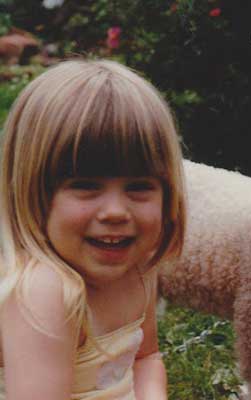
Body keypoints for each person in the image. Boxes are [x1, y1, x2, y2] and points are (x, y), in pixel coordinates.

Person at [0, 59, 186, 399]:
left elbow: (146, 358)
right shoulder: (44, 292)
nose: (115, 212)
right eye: (85, 185)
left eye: (139, 186)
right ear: (30, 191)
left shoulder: (138, 268)